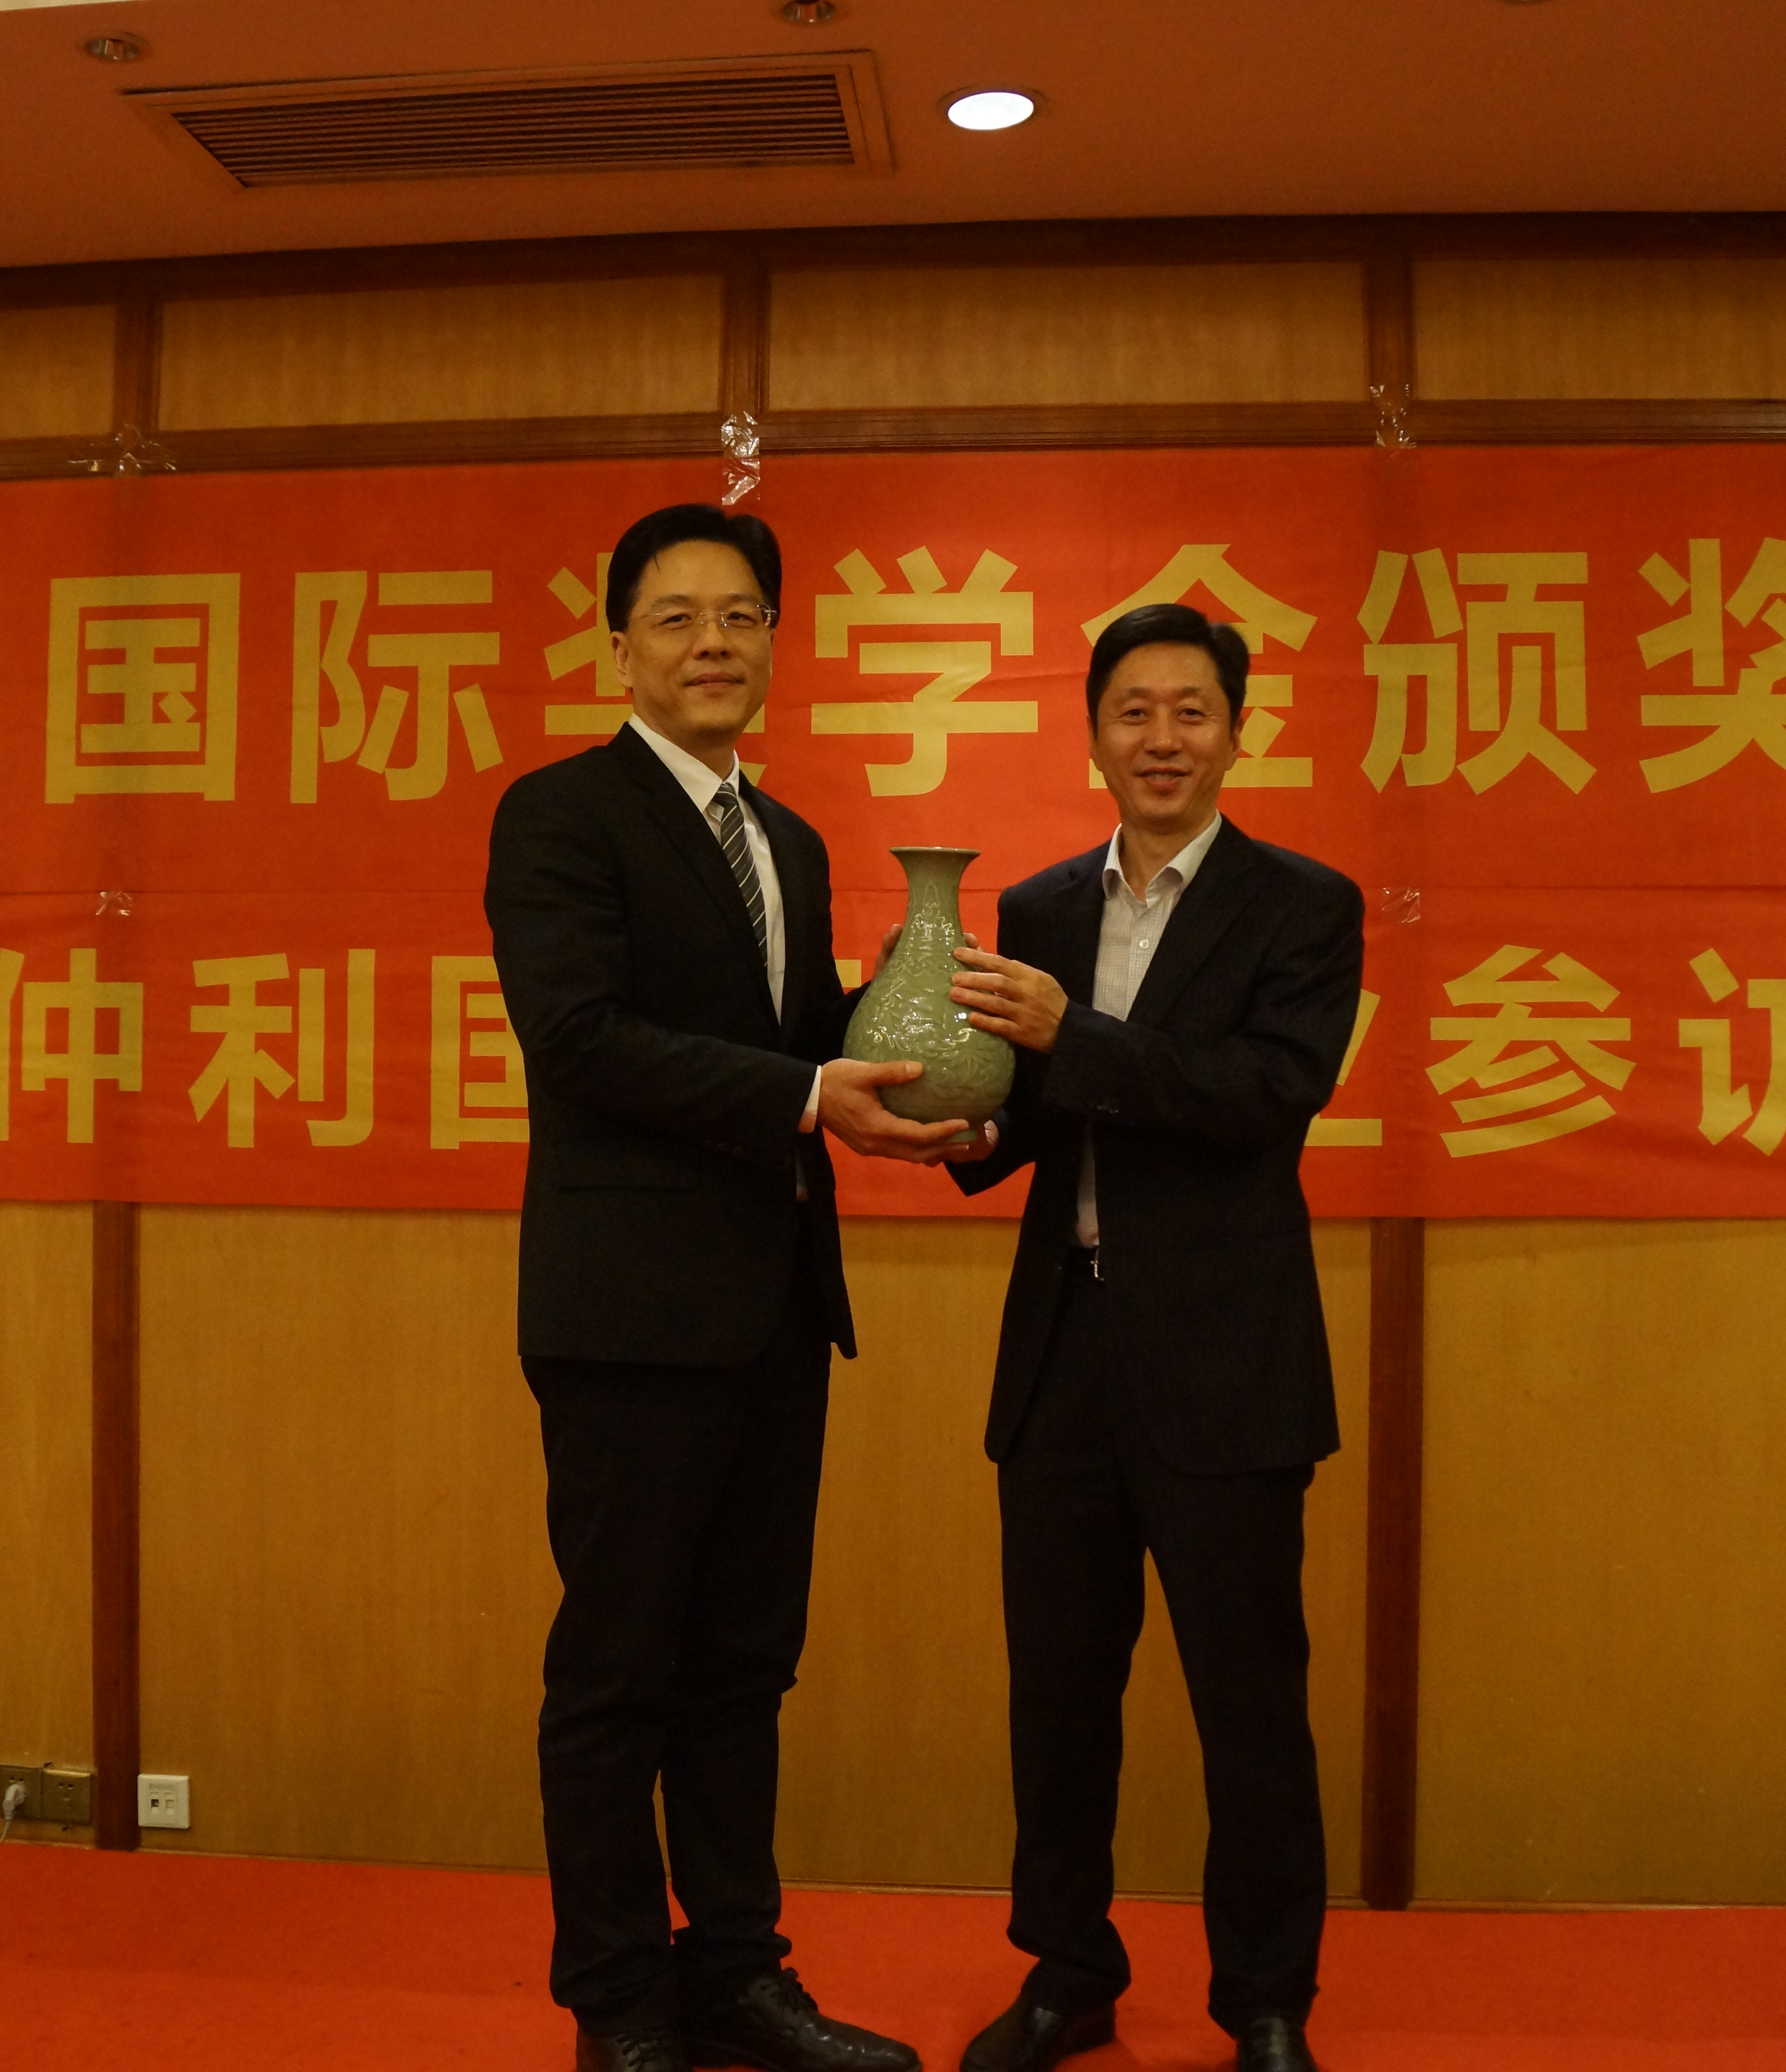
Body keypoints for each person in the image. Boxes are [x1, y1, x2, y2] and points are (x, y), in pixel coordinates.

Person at [485, 502, 975, 2072]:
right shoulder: (561, 816)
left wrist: (924, 1044)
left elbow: (793, 1046)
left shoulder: (790, 841)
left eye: (741, 616)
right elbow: (580, 1038)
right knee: (617, 1673)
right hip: (629, 1318)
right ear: (619, 646)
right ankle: (621, 2004)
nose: (714, 643)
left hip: (774, 1309)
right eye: (678, 616)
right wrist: (810, 1092)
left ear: (774, 642)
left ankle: (739, 1976)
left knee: (747, 1665)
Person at [940, 603, 1366, 2072]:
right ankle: (1067, 1972)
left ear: (1238, 733)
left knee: (1250, 1700)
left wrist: (1071, 1039)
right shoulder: (1043, 908)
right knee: (1060, 1693)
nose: (1162, 739)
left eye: (1192, 711)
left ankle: (1267, 2001)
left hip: (1227, 1360)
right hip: (1065, 1346)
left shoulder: (1304, 905)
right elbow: (1031, 1113)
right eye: (1134, 711)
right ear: (1093, 736)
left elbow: (1264, 1095)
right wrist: (958, 1120)